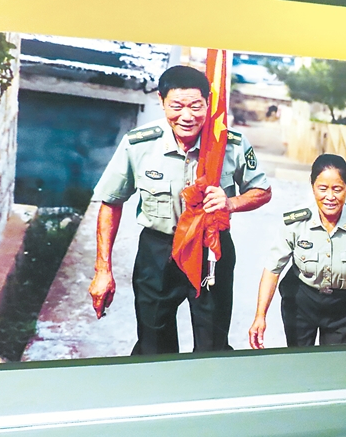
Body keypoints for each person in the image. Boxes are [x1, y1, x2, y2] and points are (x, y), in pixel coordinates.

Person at [89, 65, 272, 355]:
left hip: (211, 250)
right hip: (157, 252)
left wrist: (230, 203)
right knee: (153, 346)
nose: (187, 116)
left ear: (208, 103)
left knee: (212, 347)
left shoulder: (230, 144)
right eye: (176, 106)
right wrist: (103, 270)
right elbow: (111, 202)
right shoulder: (139, 144)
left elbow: (262, 191)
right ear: (161, 101)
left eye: (196, 106)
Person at [248, 154, 346, 349]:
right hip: (301, 302)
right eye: (322, 188)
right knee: (299, 360)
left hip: (342, 308)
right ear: (313, 187)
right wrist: (260, 316)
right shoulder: (295, 223)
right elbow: (273, 269)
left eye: (337, 189)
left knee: (333, 362)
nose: (330, 197)